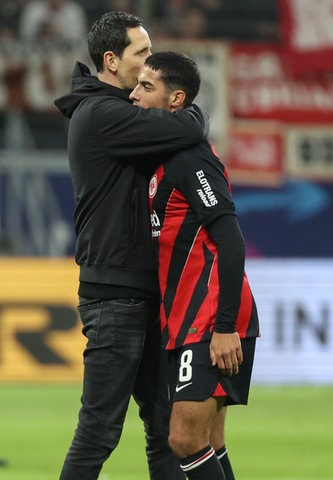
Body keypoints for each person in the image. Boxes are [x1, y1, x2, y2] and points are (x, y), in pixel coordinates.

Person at [54, 11, 209, 480]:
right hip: (115, 295)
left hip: (137, 289)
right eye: (141, 53)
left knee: (164, 428)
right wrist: (191, 107)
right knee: (99, 430)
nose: (148, 63)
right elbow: (187, 129)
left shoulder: (111, 111)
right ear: (110, 60)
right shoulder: (104, 114)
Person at [130, 51, 260, 480]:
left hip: (208, 319)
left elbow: (230, 239)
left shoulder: (191, 157)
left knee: (184, 439)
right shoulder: (164, 155)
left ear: (176, 99)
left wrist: (224, 327)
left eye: (146, 86)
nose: (134, 94)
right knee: (210, 440)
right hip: (187, 316)